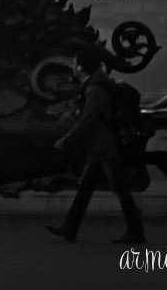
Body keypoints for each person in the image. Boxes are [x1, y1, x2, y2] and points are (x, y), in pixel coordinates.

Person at [47, 49, 145, 245]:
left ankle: (135, 231)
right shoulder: (96, 86)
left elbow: (88, 120)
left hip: (103, 147)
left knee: (119, 190)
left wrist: (66, 140)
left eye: (76, 64)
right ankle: (70, 228)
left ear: (82, 68)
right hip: (99, 146)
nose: (73, 67)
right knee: (86, 189)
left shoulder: (94, 90)